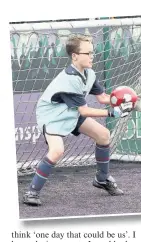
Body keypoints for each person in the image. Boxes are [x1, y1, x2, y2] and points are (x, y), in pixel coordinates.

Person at [23, 34, 127, 206]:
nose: (92, 56)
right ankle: (31, 192)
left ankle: (102, 179)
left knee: (103, 135)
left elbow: (102, 98)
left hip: (70, 111)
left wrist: (127, 101)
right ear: (75, 56)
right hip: (53, 116)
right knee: (57, 151)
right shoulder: (69, 80)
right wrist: (111, 113)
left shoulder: (89, 73)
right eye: (88, 53)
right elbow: (84, 110)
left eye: (93, 53)